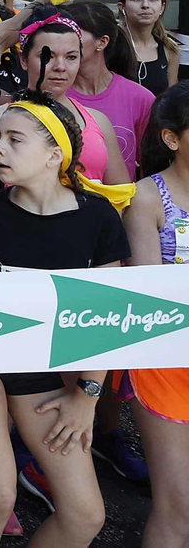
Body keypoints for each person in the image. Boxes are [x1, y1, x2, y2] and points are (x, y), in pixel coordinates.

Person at [0, 95, 133, 548]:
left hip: (41, 372)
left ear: (55, 155)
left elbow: (105, 319)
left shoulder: (98, 218)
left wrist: (87, 396)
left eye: (14, 140)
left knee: (86, 515)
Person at [0, 10, 132, 204]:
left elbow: (121, 191)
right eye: (47, 56)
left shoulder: (98, 120)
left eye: (71, 57)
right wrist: (16, 210)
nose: (60, 67)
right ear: (24, 59)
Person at [123, 82, 189, 548]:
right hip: (164, 362)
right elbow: (149, 297)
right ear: (172, 138)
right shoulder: (148, 196)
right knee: (179, 505)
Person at [64, 0, 155, 182]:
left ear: (102, 42)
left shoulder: (140, 98)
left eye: (75, 33)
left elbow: (151, 167)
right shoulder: (55, 95)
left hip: (121, 205)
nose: (66, 40)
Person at [118, 0, 180, 95]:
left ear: (162, 7)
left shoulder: (170, 49)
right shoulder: (109, 46)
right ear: (122, 7)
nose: (145, 5)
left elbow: (170, 99)